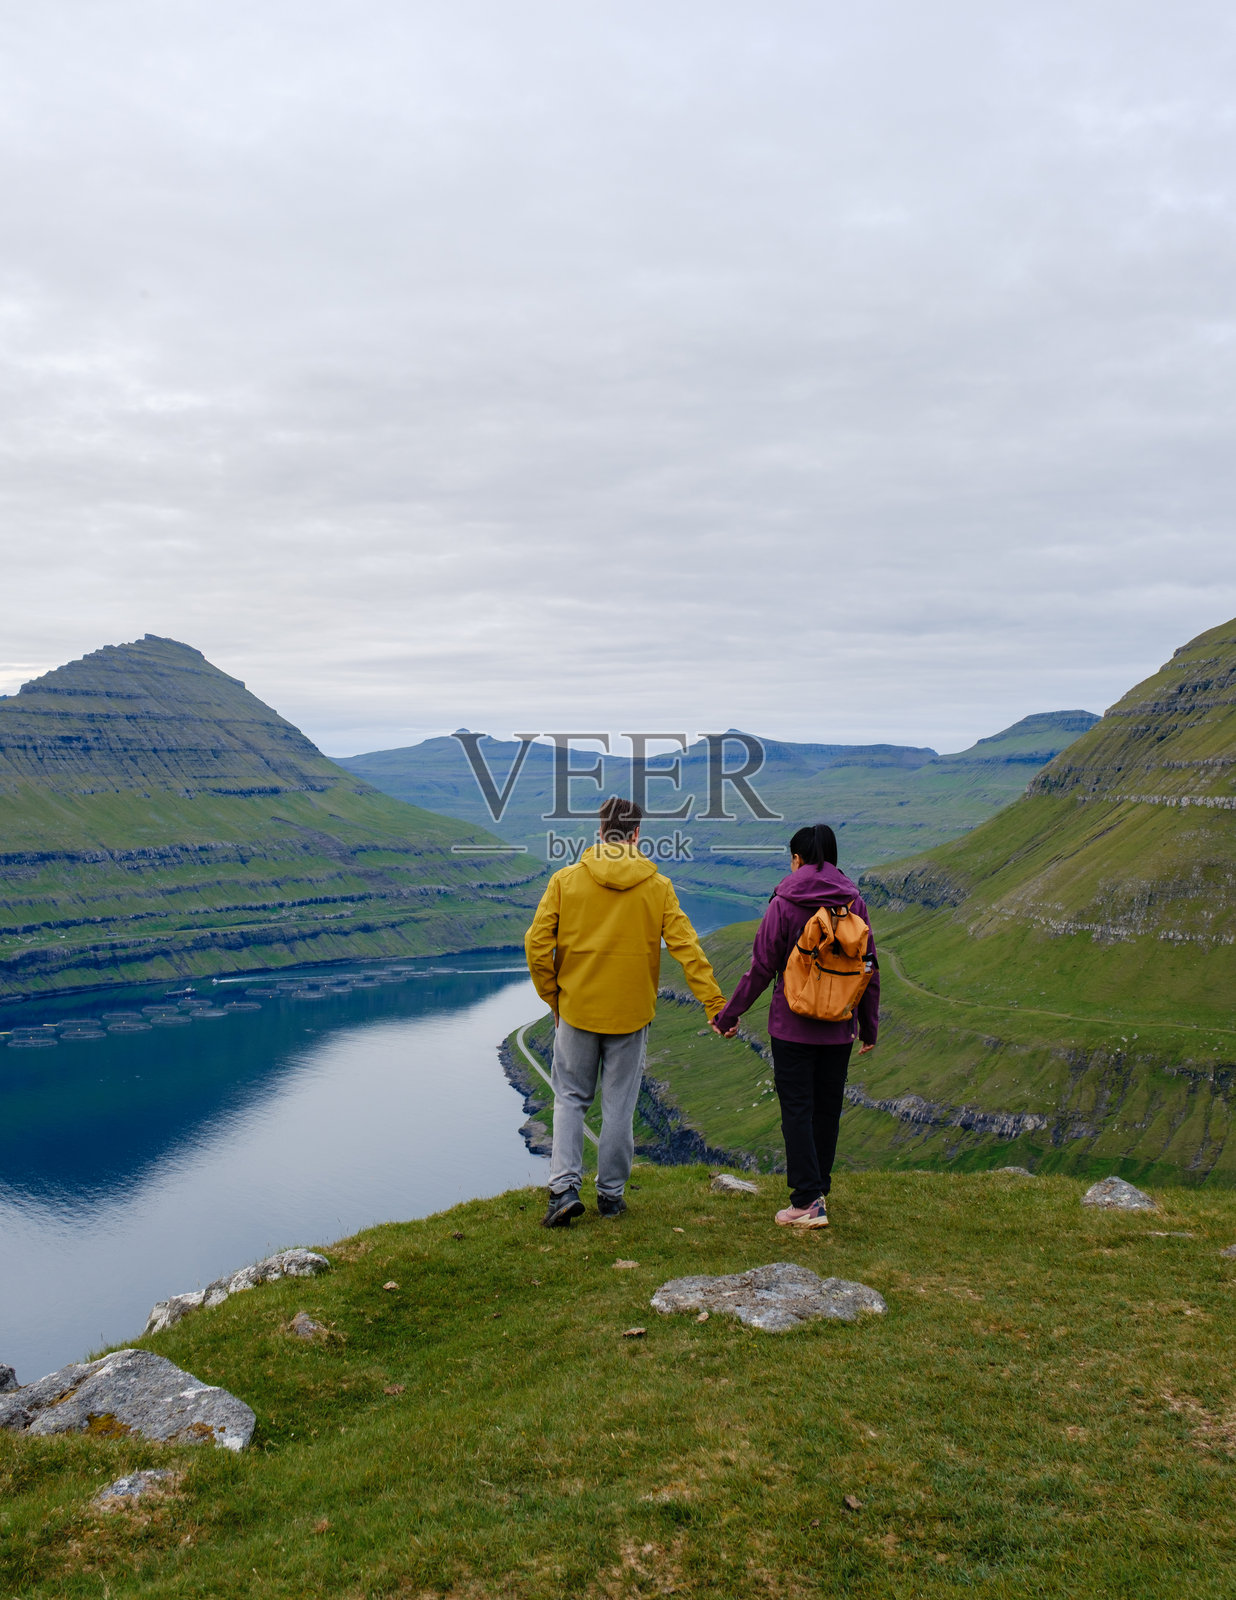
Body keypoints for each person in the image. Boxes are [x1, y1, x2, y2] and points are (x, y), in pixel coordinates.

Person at [524, 795, 727, 1227]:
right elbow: (687, 949)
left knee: (570, 1098)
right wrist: (714, 1002)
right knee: (619, 1105)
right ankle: (611, 1196)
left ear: (600, 832)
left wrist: (553, 998)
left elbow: (537, 944)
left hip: (577, 1009)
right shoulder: (658, 887)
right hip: (631, 1015)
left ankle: (563, 1189)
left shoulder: (565, 880)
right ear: (636, 834)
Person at [711, 822, 878, 1229]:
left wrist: (728, 1015)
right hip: (838, 1027)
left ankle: (806, 1201)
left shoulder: (784, 902)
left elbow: (761, 968)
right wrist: (868, 1026)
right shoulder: (853, 902)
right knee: (827, 1109)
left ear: (798, 859)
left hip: (792, 1027)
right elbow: (869, 967)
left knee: (798, 1110)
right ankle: (818, 1190)